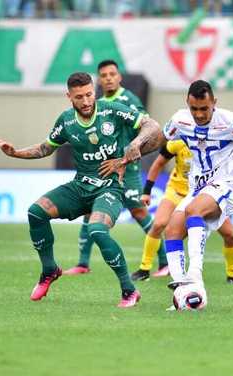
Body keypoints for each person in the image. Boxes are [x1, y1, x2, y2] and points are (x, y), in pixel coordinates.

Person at [101, 80, 233, 301]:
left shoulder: (229, 122)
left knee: (194, 212)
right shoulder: (180, 120)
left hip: (228, 185)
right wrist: (126, 158)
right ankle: (182, 289)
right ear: (187, 104)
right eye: (194, 109)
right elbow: (159, 141)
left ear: (214, 103)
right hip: (198, 187)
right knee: (172, 230)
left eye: (204, 109)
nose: (199, 114)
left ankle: (195, 275)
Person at [0, 72, 162, 308]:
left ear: (95, 91)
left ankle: (129, 290)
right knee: (35, 213)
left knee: (97, 230)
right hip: (81, 184)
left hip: (110, 187)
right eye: (79, 97)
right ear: (69, 96)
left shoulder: (111, 110)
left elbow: (152, 126)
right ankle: (49, 270)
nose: (86, 101)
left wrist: (132, 147)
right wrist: (15, 152)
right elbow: (45, 148)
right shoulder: (66, 121)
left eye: (89, 94)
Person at [64, 59, 167, 277]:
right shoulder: (97, 103)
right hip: (103, 167)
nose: (108, 78)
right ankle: (82, 263)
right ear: (99, 80)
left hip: (126, 167)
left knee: (139, 211)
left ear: (119, 77)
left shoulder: (128, 99)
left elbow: (147, 126)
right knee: (89, 210)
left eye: (112, 74)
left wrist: (132, 150)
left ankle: (165, 262)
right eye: (104, 75)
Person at [129, 139, 233, 284]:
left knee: (230, 235)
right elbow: (158, 163)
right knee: (158, 224)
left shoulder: (214, 144)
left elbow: (229, 166)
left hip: (204, 196)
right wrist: (147, 191)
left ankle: (232, 274)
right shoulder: (177, 142)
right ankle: (144, 269)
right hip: (176, 192)